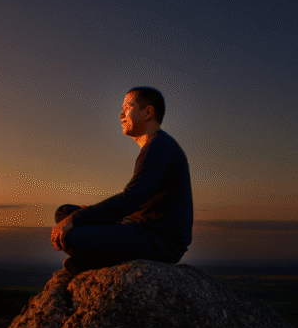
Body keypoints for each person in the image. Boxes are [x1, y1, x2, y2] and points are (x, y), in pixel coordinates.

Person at [50, 86, 193, 276]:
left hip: (159, 241)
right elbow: (137, 201)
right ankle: (93, 260)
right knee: (64, 213)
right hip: (138, 226)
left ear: (148, 113)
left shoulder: (160, 147)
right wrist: (89, 215)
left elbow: (130, 199)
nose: (121, 114)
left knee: (71, 235)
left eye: (128, 107)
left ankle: (96, 263)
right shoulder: (156, 145)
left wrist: (81, 218)